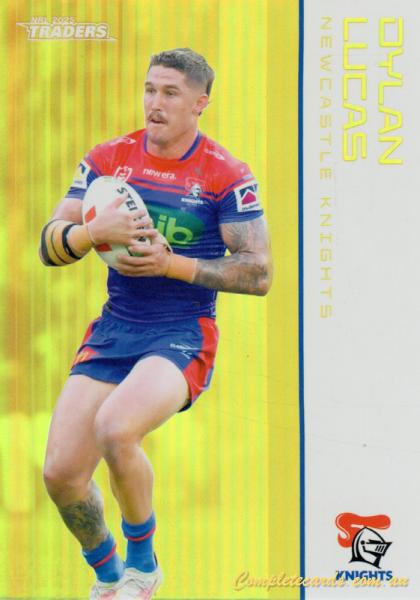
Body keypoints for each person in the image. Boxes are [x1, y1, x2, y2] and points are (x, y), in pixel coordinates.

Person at [40, 48, 272, 600]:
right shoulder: (108, 159)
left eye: (170, 93)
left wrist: (172, 264)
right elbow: (49, 245)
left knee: (116, 428)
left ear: (200, 103)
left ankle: (144, 567)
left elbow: (259, 272)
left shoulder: (225, 174)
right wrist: (91, 234)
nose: (155, 103)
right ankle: (108, 576)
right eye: (150, 89)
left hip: (182, 331)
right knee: (61, 475)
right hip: (116, 327)